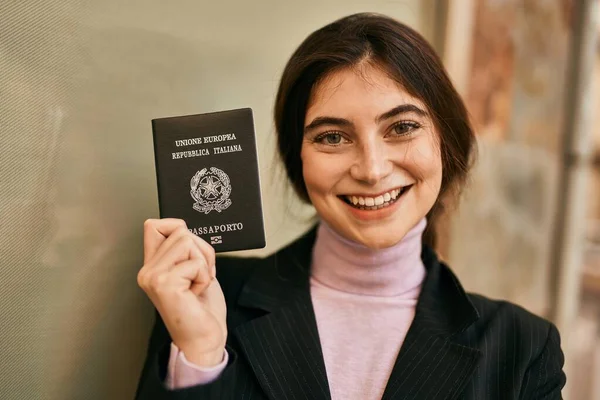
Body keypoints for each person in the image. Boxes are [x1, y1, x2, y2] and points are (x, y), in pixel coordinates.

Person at [135, 13, 566, 400]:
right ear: (298, 159)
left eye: (402, 127)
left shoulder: (522, 347)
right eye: (332, 137)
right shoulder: (206, 297)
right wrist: (201, 358)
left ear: (445, 142)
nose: (372, 170)